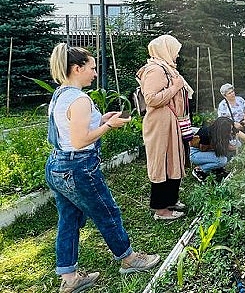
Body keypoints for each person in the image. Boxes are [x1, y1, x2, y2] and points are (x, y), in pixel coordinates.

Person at [46, 43, 160, 293]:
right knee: (107, 212)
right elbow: (79, 140)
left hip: (57, 165)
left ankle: (70, 277)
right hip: (78, 168)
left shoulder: (61, 95)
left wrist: (102, 118)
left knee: (69, 219)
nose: (95, 73)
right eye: (92, 68)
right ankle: (129, 259)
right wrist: (109, 127)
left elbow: (68, 130)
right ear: (77, 68)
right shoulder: (79, 99)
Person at [137, 34, 192, 221]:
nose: (177, 55)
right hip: (160, 123)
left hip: (170, 122)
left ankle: (171, 200)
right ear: (165, 50)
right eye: (175, 51)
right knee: (162, 162)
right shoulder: (156, 70)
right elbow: (151, 99)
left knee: (173, 161)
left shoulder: (167, 69)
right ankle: (161, 210)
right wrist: (175, 88)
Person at [190, 117, 237, 183]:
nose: (231, 131)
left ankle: (216, 169)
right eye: (230, 129)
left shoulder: (219, 135)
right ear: (223, 129)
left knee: (223, 154)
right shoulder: (206, 133)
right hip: (195, 153)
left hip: (204, 151)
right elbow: (202, 149)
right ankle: (199, 170)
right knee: (222, 160)